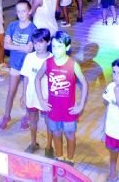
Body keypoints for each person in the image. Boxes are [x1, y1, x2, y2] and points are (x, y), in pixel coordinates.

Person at [35, 31, 88, 166]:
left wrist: (81, 105)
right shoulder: (48, 63)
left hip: (69, 110)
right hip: (53, 109)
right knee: (56, 134)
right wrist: (41, 100)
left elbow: (85, 83)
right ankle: (59, 157)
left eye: (59, 46)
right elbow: (37, 78)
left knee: (70, 135)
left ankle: (70, 159)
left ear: (67, 47)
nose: (56, 49)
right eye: (53, 46)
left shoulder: (73, 64)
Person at [0, 0, 37, 131]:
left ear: (29, 11)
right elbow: (5, 45)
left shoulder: (33, 29)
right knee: (11, 92)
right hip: (15, 64)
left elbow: (29, 49)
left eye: (24, 11)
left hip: (27, 66)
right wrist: (21, 47)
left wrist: (14, 46)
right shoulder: (12, 26)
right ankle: (6, 116)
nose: (21, 14)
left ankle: (26, 116)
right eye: (18, 11)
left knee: (27, 93)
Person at [20, 28, 53, 155]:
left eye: (41, 42)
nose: (37, 46)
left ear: (48, 42)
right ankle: (33, 143)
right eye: (35, 43)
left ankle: (49, 147)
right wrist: (23, 95)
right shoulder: (29, 57)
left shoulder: (52, 59)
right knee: (33, 120)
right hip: (32, 96)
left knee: (49, 122)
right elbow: (26, 77)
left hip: (46, 98)